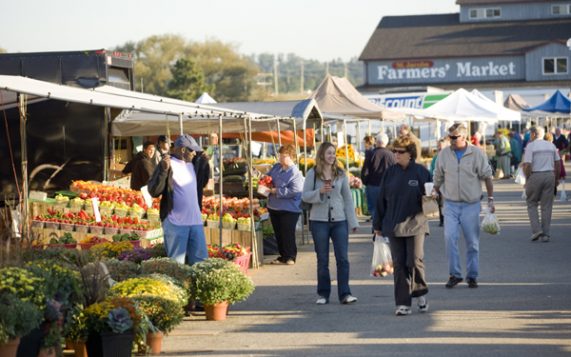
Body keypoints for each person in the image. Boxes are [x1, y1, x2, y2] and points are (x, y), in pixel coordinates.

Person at [374, 136, 432, 316]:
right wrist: (377, 225)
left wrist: (434, 196)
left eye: (400, 152)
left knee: (415, 260)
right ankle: (402, 303)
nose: (396, 154)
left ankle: (420, 293)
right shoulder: (390, 173)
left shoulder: (421, 172)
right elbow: (381, 200)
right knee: (399, 265)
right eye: (395, 151)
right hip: (393, 225)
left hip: (417, 223)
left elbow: (432, 196)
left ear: (410, 154)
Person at [433, 123, 495, 289]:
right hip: (451, 204)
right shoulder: (444, 154)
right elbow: (438, 175)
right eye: (449, 137)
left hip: (471, 204)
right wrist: (434, 190)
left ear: (464, 137)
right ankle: (455, 274)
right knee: (449, 239)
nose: (451, 140)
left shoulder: (476, 153)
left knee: (472, 242)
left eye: (454, 137)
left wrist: (490, 199)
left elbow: (487, 176)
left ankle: (472, 275)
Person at [302, 142, 359, 305]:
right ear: (321, 155)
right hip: (318, 221)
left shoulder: (341, 173)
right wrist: (319, 192)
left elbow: (348, 198)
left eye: (333, 153)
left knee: (343, 258)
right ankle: (323, 294)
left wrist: (353, 221)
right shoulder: (312, 173)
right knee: (322, 259)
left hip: (339, 220)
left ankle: (345, 293)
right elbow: (305, 196)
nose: (332, 156)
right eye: (329, 153)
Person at [147, 134, 211, 264]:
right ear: (183, 150)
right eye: (191, 150)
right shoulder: (167, 163)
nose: (194, 153)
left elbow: (203, 182)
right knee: (176, 265)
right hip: (175, 222)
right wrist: (163, 171)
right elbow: (154, 191)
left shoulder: (194, 163)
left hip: (195, 221)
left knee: (201, 263)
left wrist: (205, 163)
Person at [266, 144, 305, 265]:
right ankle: (282, 256)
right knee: (278, 233)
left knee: (287, 232)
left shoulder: (295, 173)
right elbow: (269, 178)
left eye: (284, 157)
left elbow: (295, 191)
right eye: (280, 156)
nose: (281, 159)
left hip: (289, 209)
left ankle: (290, 256)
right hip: (274, 207)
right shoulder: (276, 167)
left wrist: (276, 191)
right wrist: (265, 182)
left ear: (292, 157)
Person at [522, 126, 561, 242]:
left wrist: (527, 178)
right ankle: (546, 234)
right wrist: (557, 178)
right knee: (547, 206)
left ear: (533, 134)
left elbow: (527, 165)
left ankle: (536, 230)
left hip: (535, 175)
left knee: (532, 202)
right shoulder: (551, 145)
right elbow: (558, 163)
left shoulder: (531, 146)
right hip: (549, 175)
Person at [361, 132, 396, 223]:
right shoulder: (392, 155)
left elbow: (365, 171)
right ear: (386, 142)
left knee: (374, 210)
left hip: (373, 185)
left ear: (376, 142)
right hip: (388, 186)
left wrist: (365, 182)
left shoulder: (371, 154)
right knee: (386, 209)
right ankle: (384, 231)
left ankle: (376, 230)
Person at [429, 138, 450, 226]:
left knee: (448, 202)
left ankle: (448, 218)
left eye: (441, 147)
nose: (439, 149)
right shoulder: (435, 157)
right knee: (440, 202)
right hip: (439, 182)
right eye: (438, 147)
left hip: (448, 182)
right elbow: (432, 169)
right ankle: (442, 219)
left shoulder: (449, 156)